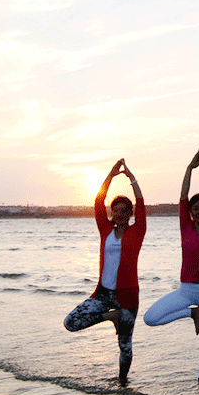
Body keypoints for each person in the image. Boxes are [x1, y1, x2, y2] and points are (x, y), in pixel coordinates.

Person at [64, 159, 146, 383]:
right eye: (116, 210)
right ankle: (111, 317)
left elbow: (141, 201)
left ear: (130, 213)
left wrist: (131, 178)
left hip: (128, 296)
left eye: (124, 210)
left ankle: (122, 384)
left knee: (125, 346)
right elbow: (99, 200)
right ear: (112, 212)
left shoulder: (137, 231)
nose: (119, 213)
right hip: (103, 294)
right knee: (71, 322)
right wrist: (111, 174)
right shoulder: (105, 229)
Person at [144, 149, 199, 382]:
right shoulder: (185, 227)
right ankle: (191, 313)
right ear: (189, 212)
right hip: (186, 290)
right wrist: (189, 169)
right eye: (195, 208)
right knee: (150, 318)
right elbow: (182, 196)